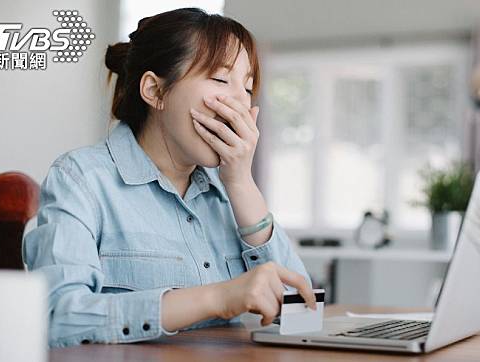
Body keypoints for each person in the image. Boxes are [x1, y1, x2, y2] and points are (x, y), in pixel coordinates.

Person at [23, 7, 316, 348]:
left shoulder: (229, 191)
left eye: (248, 88)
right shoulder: (81, 179)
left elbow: (304, 311)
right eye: (221, 80)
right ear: (155, 91)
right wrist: (217, 298)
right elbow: (58, 319)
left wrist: (241, 182)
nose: (239, 103)